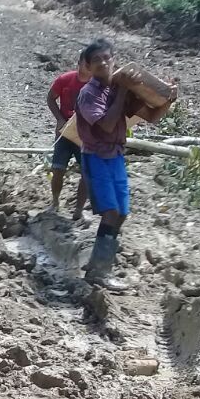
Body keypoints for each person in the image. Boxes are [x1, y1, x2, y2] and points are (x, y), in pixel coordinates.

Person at [75, 38, 176, 291]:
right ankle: (99, 273)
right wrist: (122, 89)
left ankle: (100, 265)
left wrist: (169, 101)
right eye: (96, 59)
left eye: (107, 57)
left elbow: (152, 117)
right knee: (110, 212)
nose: (103, 62)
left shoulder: (119, 90)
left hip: (116, 155)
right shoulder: (89, 94)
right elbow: (107, 125)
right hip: (96, 156)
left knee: (121, 213)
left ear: (114, 59)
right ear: (87, 66)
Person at [45, 58, 91, 220]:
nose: (88, 68)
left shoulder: (96, 85)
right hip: (64, 132)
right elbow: (50, 98)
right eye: (86, 63)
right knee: (58, 169)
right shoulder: (65, 80)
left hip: (84, 135)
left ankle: (78, 210)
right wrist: (59, 119)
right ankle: (55, 202)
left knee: (86, 173)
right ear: (79, 63)